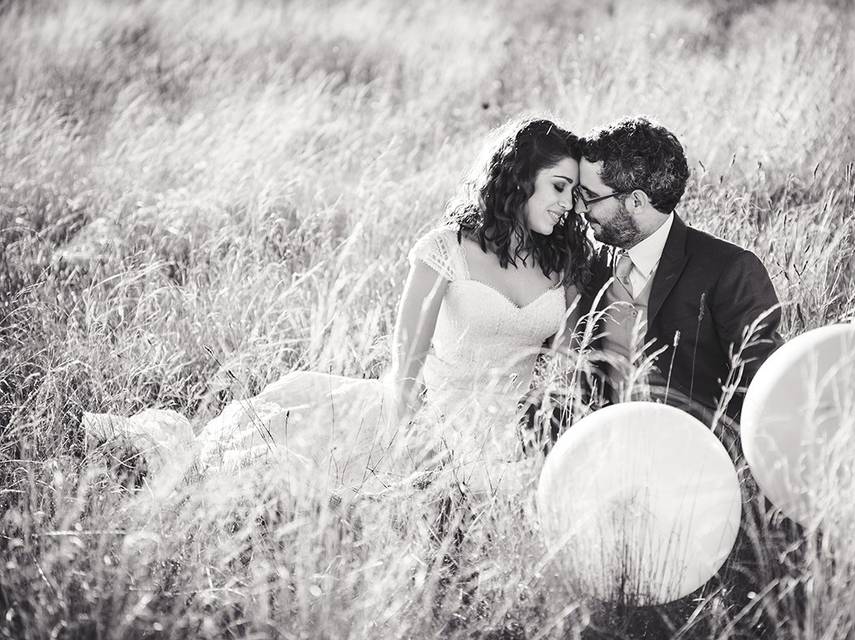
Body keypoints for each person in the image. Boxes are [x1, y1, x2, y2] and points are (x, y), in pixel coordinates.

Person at [82, 117, 593, 500]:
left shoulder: (564, 260)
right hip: (429, 415)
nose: (568, 204)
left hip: (510, 432)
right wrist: (410, 431)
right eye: (559, 187)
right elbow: (406, 357)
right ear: (521, 179)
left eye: (574, 193)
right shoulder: (448, 248)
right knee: (259, 473)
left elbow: (563, 370)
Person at [570, 116, 785, 639]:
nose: (579, 209)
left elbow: (762, 394)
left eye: (589, 196)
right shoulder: (586, 262)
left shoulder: (731, 270)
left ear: (637, 201)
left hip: (693, 488)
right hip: (600, 478)